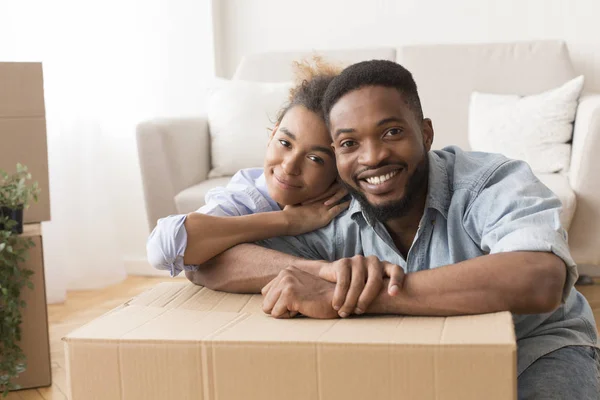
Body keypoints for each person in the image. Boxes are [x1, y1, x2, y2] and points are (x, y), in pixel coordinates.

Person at [187, 60, 600, 399]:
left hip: (535, 350)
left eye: (392, 132)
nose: (373, 157)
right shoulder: (337, 208)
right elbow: (206, 262)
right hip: (418, 362)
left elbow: (538, 279)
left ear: (426, 133)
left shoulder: (489, 182)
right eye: (349, 143)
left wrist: (355, 296)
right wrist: (321, 274)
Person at [147, 58, 404, 301]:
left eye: (315, 158)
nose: (289, 166)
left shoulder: (352, 201)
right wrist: (288, 221)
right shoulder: (250, 194)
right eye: (284, 143)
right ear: (271, 135)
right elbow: (164, 249)